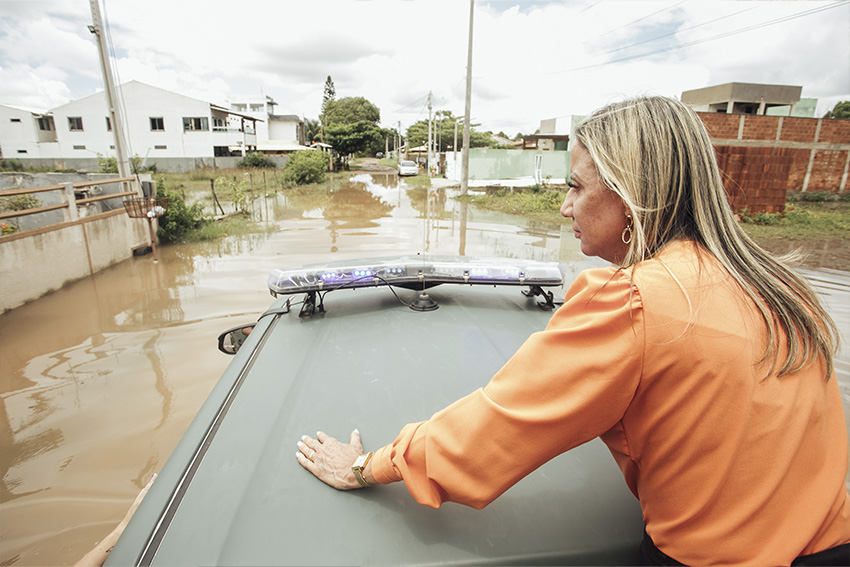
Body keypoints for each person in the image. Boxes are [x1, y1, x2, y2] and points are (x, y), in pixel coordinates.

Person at [295, 96, 850, 565]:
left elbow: (493, 428)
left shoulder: (634, 300)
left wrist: (368, 466)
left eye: (576, 187)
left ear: (631, 196)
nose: (564, 208)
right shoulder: (780, 285)